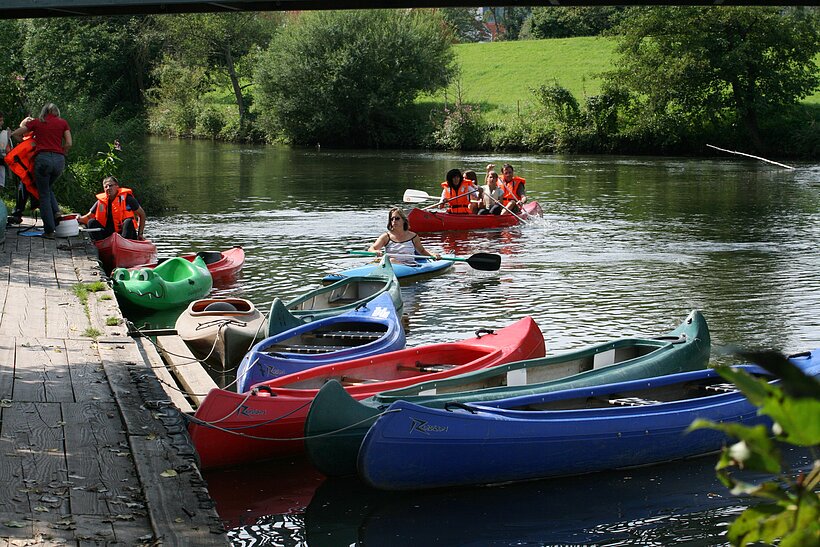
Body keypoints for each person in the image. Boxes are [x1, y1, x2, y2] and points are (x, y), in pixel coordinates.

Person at [11, 103, 72, 238]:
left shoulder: (37, 122)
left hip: (42, 160)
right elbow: (69, 143)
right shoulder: (63, 123)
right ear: (57, 112)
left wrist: (28, 144)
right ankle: (56, 212)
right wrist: (63, 152)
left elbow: (16, 133)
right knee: (47, 187)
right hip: (59, 161)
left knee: (43, 194)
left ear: (43, 111)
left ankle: (49, 231)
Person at [78, 176, 147, 242]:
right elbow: (88, 217)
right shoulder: (100, 202)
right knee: (91, 222)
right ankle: (99, 243)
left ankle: (125, 244)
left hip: (124, 233)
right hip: (107, 235)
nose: (108, 188)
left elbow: (142, 214)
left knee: (128, 221)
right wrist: (78, 219)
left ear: (117, 186)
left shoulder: (128, 199)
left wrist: (140, 234)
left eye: (110, 185)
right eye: (106, 187)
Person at [368, 207, 440, 266]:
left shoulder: (413, 236)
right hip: (391, 266)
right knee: (390, 260)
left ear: (403, 220)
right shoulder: (386, 237)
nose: (394, 221)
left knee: (392, 260)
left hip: (410, 267)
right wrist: (375, 251)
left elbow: (422, 251)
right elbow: (372, 248)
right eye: (392, 219)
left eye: (397, 218)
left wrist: (433, 254)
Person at [0, 112, 11, 189]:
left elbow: (7, 151)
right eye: (0, 120)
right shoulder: (3, 134)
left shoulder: (3, 134)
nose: (2, 122)